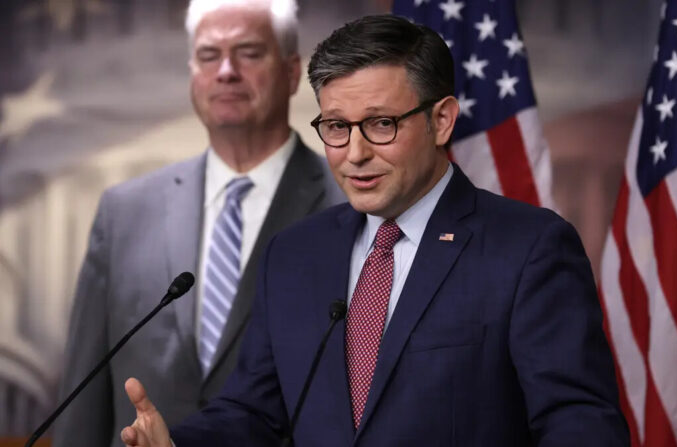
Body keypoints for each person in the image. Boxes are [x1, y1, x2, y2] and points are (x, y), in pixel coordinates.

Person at [116, 15, 629, 447]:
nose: (355, 153)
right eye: (337, 127)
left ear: (442, 120)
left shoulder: (529, 248)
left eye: (381, 123)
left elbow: (579, 425)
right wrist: (178, 444)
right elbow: (255, 412)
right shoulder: (294, 255)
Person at [53, 1, 344, 446]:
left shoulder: (349, 202)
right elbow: (83, 398)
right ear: (193, 73)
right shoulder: (123, 211)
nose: (226, 70)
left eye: (248, 52)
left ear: (290, 72)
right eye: (209, 55)